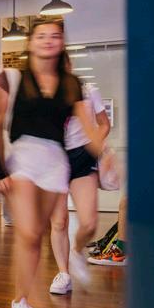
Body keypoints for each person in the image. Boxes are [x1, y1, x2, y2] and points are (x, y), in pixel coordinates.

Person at [0, 21, 103, 308]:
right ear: (31, 43)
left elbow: (89, 130)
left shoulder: (71, 84)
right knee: (29, 234)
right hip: (24, 158)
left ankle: (21, 303)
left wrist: (107, 155)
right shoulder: (14, 78)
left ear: (62, 43)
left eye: (55, 36)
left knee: (38, 234)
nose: (48, 41)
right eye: (41, 36)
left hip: (56, 162)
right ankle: (23, 303)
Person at [48, 74, 110, 294]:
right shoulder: (47, 94)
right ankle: (63, 274)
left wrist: (97, 145)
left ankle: (76, 251)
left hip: (82, 156)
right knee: (59, 222)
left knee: (89, 223)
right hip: (54, 158)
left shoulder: (88, 91)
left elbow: (104, 124)